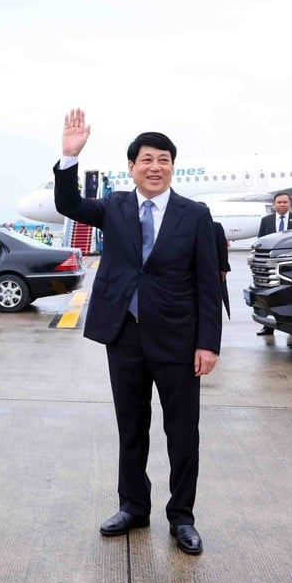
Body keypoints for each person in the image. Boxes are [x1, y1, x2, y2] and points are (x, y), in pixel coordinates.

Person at [53, 109, 221, 555]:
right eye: (146, 159)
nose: (155, 167)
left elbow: (208, 281)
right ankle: (133, 507)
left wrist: (208, 343)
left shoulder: (195, 214)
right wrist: (69, 158)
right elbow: (68, 206)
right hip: (125, 334)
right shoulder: (115, 207)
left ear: (172, 166)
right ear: (131, 167)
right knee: (132, 427)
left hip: (179, 340)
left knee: (183, 432)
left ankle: (182, 517)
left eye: (163, 159)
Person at [255, 193, 292, 342]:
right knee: (268, 294)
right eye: (279, 202)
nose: (282, 204)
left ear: (290, 204)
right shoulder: (266, 221)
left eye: (285, 202)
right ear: (274, 204)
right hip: (270, 265)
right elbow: (261, 241)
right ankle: (268, 326)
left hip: (290, 264)